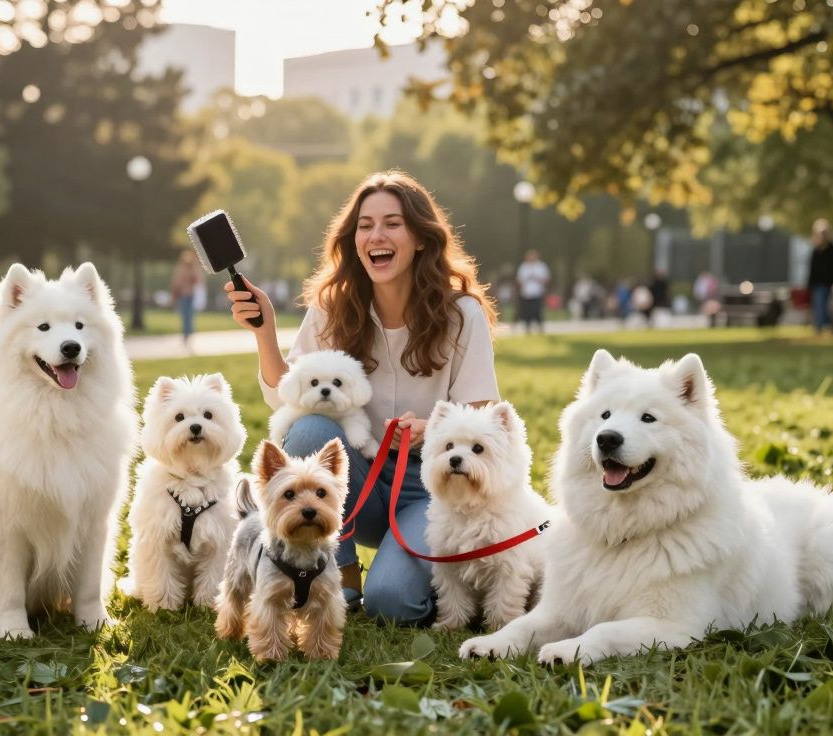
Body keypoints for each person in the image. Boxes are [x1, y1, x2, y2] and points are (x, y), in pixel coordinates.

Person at [224, 170, 500, 626]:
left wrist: (431, 430)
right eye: (365, 225)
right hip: (357, 486)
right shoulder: (334, 306)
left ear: (421, 239)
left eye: (393, 223)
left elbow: (481, 416)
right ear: (353, 241)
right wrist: (265, 332)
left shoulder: (461, 313)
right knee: (310, 427)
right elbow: (287, 400)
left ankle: (434, 576)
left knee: (394, 604)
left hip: (429, 491)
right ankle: (343, 573)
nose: (377, 235)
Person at [807, 218, 833, 332]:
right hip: (817, 283)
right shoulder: (816, 250)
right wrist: (809, 283)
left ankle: (823, 326)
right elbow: (812, 269)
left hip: (829, 283)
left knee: (824, 305)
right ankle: (824, 325)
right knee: (819, 305)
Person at [169, 248, 204, 346]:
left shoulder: (194, 269)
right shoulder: (180, 269)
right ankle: (186, 335)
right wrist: (173, 295)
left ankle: (188, 335)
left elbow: (198, 280)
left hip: (192, 297)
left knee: (190, 317)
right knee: (185, 317)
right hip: (183, 296)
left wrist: (194, 267)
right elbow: (176, 283)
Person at [515, 249, 550, 333]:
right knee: (527, 311)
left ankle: (540, 328)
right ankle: (528, 328)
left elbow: (546, 279)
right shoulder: (523, 267)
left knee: (537, 311)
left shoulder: (541, 266)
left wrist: (537, 278)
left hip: (537, 293)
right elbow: (519, 280)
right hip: (526, 293)